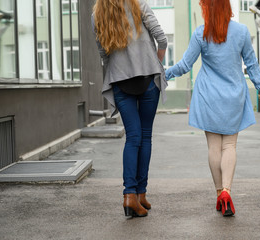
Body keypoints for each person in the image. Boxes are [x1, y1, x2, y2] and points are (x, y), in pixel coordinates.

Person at [165, 0, 260, 217]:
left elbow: (185, 65)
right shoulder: (242, 32)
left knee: (214, 148)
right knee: (230, 146)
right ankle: (227, 191)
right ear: (227, 7)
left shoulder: (201, 33)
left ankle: (219, 194)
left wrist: (164, 74)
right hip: (233, 96)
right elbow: (252, 66)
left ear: (207, 8)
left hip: (208, 96)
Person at [91, 0, 167, 218]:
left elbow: (103, 54)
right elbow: (161, 38)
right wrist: (155, 61)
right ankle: (139, 193)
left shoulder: (97, 13)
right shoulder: (139, 4)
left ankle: (132, 196)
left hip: (120, 81)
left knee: (132, 137)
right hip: (147, 77)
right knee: (145, 137)